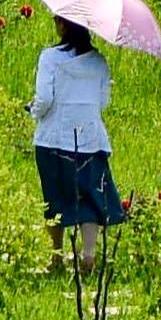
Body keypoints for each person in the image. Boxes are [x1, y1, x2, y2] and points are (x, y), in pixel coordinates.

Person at [31, 12, 127, 238]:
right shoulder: (99, 62)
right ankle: (89, 254)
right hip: (90, 140)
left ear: (63, 25)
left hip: (52, 140)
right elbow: (103, 101)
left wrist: (34, 110)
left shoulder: (50, 57)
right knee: (89, 200)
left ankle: (56, 256)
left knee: (53, 200)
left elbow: (44, 99)